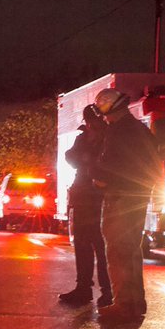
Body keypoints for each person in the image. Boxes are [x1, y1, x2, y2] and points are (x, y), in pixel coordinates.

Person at [91, 87, 162, 322]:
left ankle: (123, 304)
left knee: (118, 250)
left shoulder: (119, 132)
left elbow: (109, 166)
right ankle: (135, 302)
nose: (104, 117)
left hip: (120, 197)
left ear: (108, 108)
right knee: (131, 249)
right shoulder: (140, 130)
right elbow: (152, 165)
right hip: (138, 196)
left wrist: (97, 175)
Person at [58, 103, 112, 308]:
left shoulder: (110, 137)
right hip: (83, 196)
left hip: (100, 197)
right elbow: (69, 156)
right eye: (88, 122)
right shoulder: (83, 138)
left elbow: (110, 164)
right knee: (82, 244)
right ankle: (83, 289)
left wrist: (88, 162)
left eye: (93, 121)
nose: (90, 125)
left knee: (102, 246)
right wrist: (86, 160)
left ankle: (108, 291)